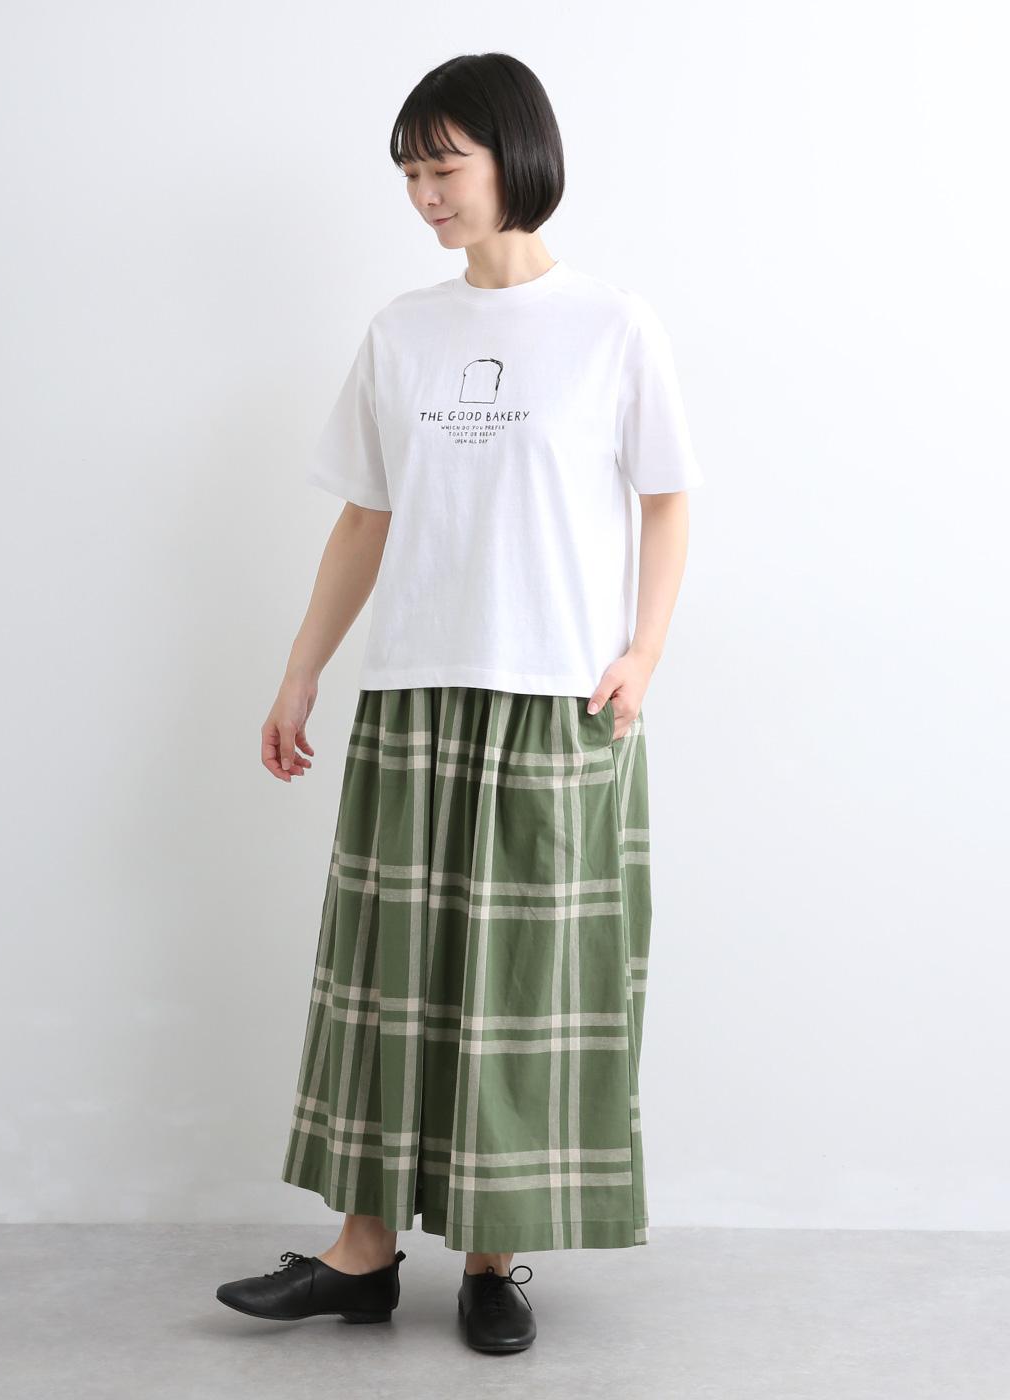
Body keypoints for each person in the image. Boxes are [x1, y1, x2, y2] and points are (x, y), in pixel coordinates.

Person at [216, 51, 704, 1355]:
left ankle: (493, 1259)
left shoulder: (613, 326)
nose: (426, 193)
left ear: (514, 157)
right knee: (389, 978)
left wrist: (645, 652)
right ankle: (361, 1253)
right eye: (411, 173)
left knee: (519, 989)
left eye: (446, 166)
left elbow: (667, 500)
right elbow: (365, 518)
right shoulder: (402, 331)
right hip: (415, 693)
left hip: (557, 700)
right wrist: (304, 667)